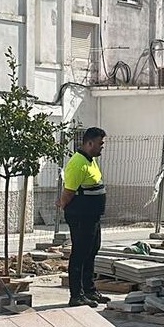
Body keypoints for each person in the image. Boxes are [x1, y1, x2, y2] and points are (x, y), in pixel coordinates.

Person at [59, 127, 108, 308]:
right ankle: (76, 295)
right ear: (89, 143)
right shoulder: (78, 163)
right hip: (81, 216)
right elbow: (68, 192)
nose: (102, 147)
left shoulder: (90, 160)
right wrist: (63, 204)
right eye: (100, 144)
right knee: (80, 253)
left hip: (92, 216)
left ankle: (89, 289)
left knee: (92, 250)